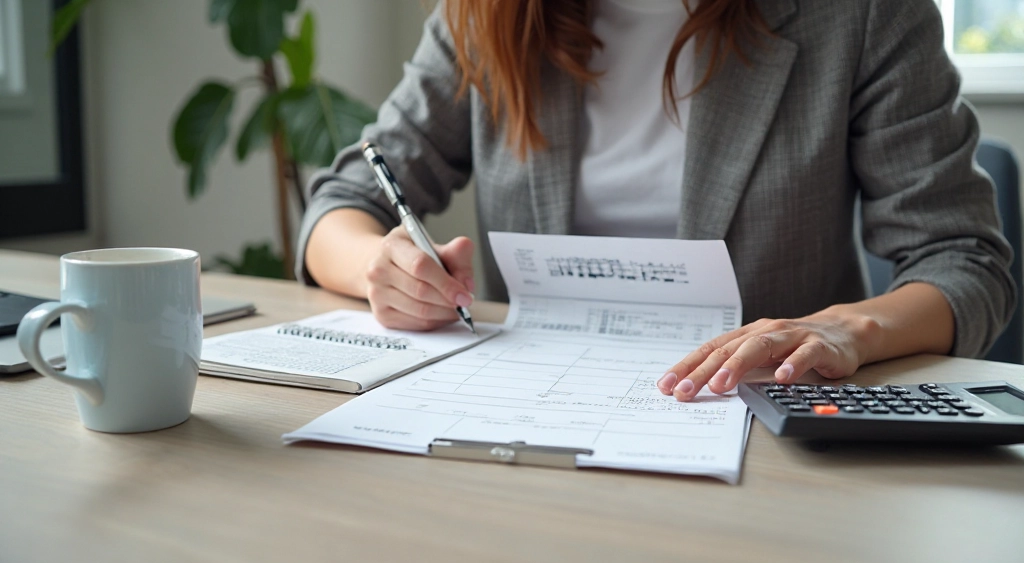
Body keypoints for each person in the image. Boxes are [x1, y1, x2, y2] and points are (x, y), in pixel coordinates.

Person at [298, 0, 1015, 403]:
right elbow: (346, 201)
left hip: (767, 418)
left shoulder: (862, 13)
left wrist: (849, 329)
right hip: (534, 405)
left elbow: (963, 260)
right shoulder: (486, 15)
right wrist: (379, 268)